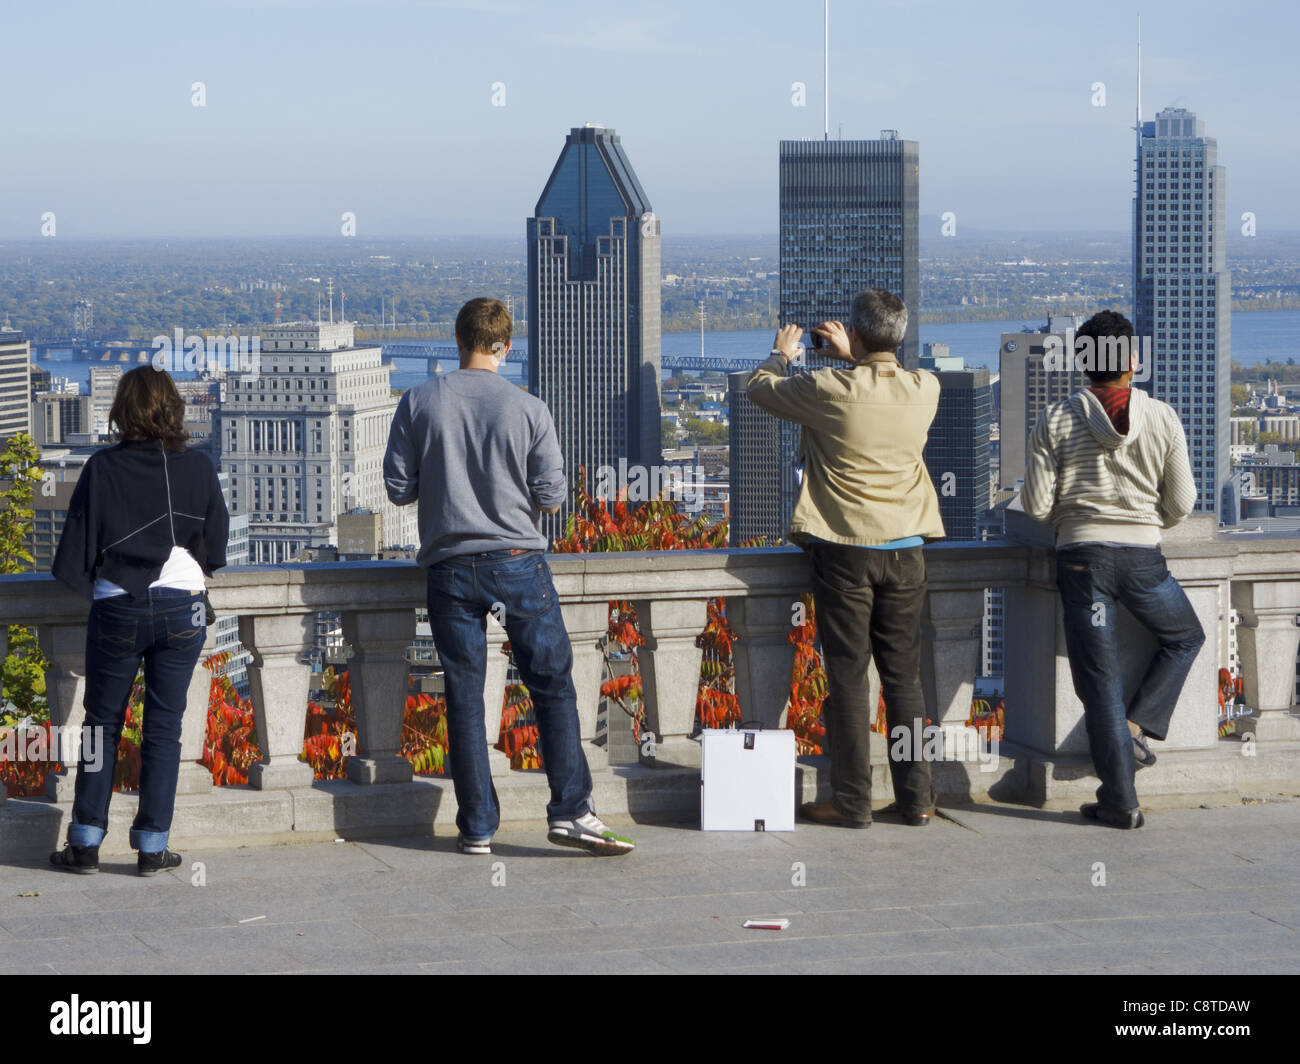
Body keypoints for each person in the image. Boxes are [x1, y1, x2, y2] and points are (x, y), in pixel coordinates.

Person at [383, 297, 634, 857]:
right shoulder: (529, 408)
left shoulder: (419, 400)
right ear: (506, 347)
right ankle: (570, 810)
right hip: (518, 562)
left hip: (449, 566)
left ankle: (476, 827)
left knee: (465, 696)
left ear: (457, 341)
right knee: (551, 686)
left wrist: (447, 482)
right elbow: (552, 498)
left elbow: (398, 489)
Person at [747, 289, 945, 829]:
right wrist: (856, 356)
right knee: (905, 681)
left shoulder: (825, 386)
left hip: (845, 549)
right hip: (907, 550)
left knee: (849, 677)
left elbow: (759, 390)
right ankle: (917, 799)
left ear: (855, 335)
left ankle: (852, 801)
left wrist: (782, 354)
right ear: (899, 337)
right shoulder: (926, 388)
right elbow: (878, 383)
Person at [1023, 310, 1204, 829]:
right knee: (1186, 636)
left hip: (1082, 562)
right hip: (1144, 558)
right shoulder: (1163, 417)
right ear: (1133, 361)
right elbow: (1182, 504)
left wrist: (1076, 513)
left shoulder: (1056, 419)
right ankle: (1138, 724)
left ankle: (1121, 802)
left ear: (1082, 363)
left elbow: (1036, 507)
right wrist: (1149, 520)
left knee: (1099, 682)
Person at [50, 366, 229, 874]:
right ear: (174, 408)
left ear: (121, 411)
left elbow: (77, 552)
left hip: (119, 605)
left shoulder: (102, 468)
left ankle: (84, 841)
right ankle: (152, 847)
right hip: (185, 606)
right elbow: (213, 545)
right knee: (164, 728)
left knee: (101, 725)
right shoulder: (198, 466)